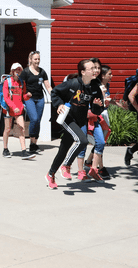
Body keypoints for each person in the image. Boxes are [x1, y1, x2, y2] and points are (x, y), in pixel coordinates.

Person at [45, 59, 103, 189]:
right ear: (83, 72)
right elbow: (55, 92)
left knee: (64, 149)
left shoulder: (95, 88)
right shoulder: (72, 84)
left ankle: (50, 174)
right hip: (67, 118)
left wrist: (96, 106)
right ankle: (66, 165)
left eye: (95, 68)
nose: (95, 71)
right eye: (91, 68)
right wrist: (59, 104)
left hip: (79, 121)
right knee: (82, 141)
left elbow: (96, 110)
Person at [83, 60, 113, 180]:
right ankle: (99, 167)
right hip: (91, 116)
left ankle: (92, 164)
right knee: (96, 142)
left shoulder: (104, 85)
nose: (111, 76)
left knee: (100, 142)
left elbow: (104, 101)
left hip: (101, 115)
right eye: (109, 74)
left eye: (98, 68)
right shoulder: (93, 83)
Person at [19, 51, 51, 154]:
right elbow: (20, 86)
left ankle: (34, 143)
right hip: (29, 99)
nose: (37, 61)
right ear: (31, 60)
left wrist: (55, 96)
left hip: (40, 98)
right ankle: (32, 142)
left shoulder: (42, 72)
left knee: (38, 121)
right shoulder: (26, 72)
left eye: (38, 59)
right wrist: (24, 94)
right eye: (35, 59)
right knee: (34, 119)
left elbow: (48, 86)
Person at [2, 63, 34, 160]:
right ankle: (5, 149)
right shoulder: (7, 82)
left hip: (19, 109)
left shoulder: (22, 82)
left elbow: (22, 97)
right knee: (7, 129)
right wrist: (12, 106)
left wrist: (27, 96)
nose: (18, 71)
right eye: (16, 70)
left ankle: (24, 151)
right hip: (8, 109)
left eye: (19, 70)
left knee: (22, 128)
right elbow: (6, 97)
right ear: (12, 71)